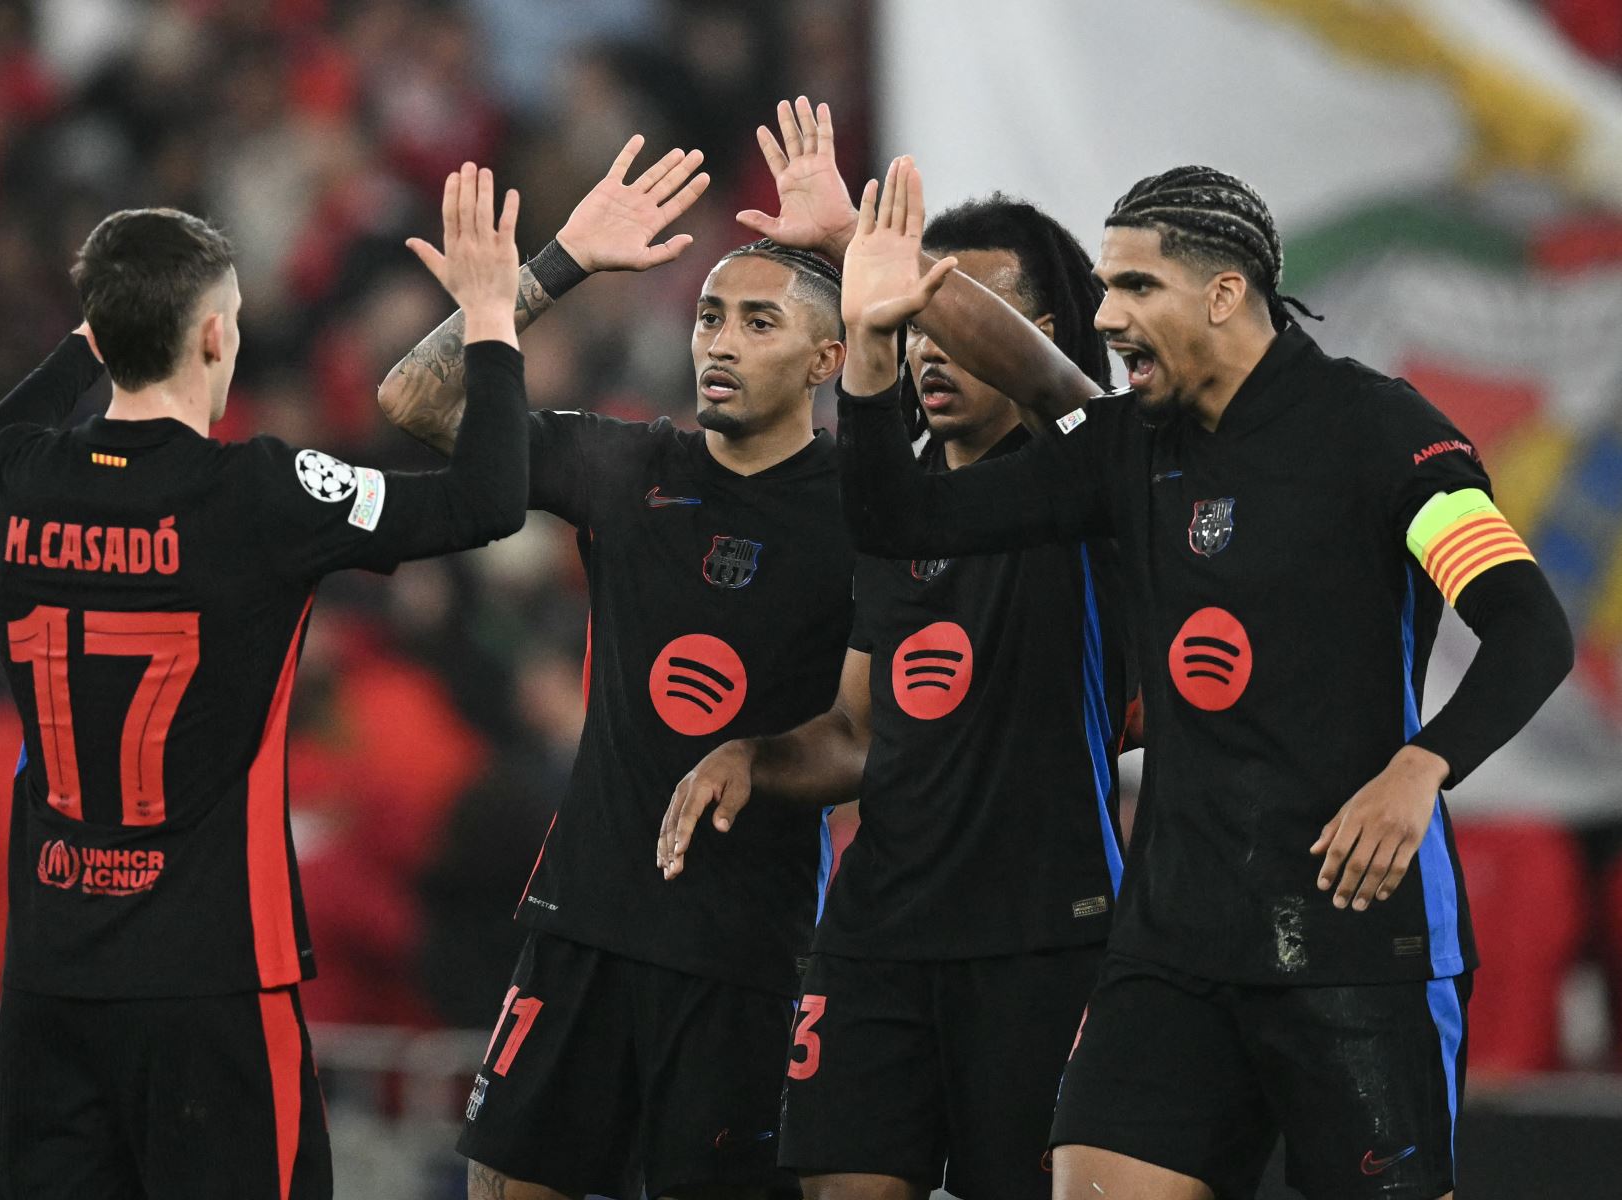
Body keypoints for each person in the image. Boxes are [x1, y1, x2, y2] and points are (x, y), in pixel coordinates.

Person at [831, 159, 1575, 1200]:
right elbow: (898, 519)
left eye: (1134, 287)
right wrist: (869, 349)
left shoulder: (1381, 432)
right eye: (1101, 288)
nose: (1106, 314)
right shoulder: (1128, 447)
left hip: (1354, 942)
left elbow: (1530, 628)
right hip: (1174, 945)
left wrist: (1421, 768)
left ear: (1227, 293)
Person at [0, 165, 531, 1199]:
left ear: (99, 335)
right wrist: (490, 313)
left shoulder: (3, 485)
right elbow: (488, 500)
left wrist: (106, 321)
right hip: (212, 982)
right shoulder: (258, 495)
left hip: (49, 979)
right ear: (214, 336)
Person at [380, 133, 855, 1200]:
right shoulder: (631, 465)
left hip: (745, 947)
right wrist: (556, 269)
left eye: (758, 320)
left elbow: (871, 730)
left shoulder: (866, 508)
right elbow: (417, 401)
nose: (720, 343)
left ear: (829, 362)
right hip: (585, 919)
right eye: (709, 316)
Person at [657, 194, 1128, 1200]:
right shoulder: (887, 505)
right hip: (879, 930)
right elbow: (861, 735)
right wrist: (757, 756)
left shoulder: (1093, 481)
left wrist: (865, 254)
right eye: (913, 321)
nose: (930, 341)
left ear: (1035, 334)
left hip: (1042, 930)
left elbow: (1069, 397)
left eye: (957, 312)